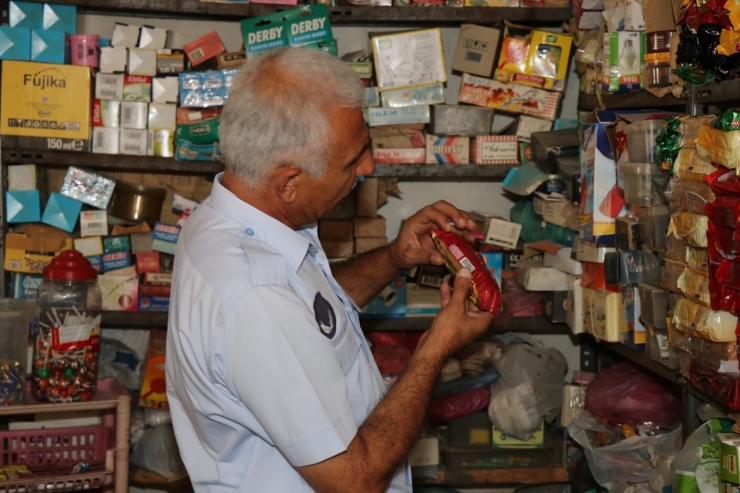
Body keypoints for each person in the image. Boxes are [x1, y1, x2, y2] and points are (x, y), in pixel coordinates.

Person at [166, 47, 496, 493]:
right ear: (289, 182)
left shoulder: (228, 220)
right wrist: (436, 347)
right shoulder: (253, 294)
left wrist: (395, 258)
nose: (369, 166)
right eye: (353, 160)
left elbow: (307, 307)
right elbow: (354, 481)